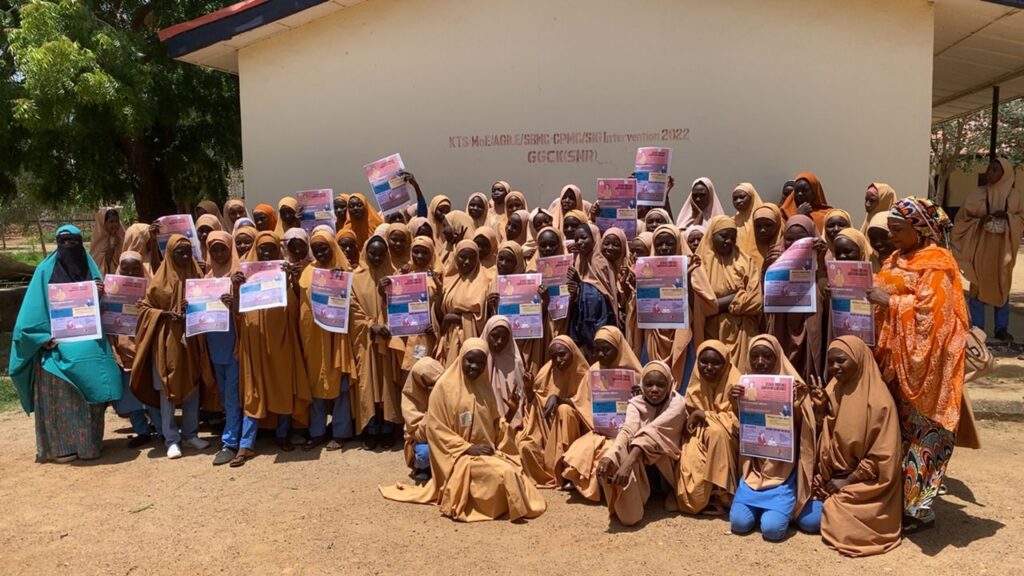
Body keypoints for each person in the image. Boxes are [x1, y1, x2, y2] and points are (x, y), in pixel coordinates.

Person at [871, 197, 969, 529]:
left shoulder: (938, 264)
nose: (892, 237)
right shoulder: (896, 259)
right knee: (898, 432)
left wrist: (892, 303)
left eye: (898, 230)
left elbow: (936, 316)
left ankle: (917, 508)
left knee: (925, 433)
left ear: (920, 229)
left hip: (929, 366)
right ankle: (900, 500)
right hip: (895, 361)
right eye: (890, 230)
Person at [379, 339, 547, 522]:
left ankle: (504, 502)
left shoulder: (484, 388)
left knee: (514, 471)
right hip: (455, 456)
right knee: (504, 473)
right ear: (460, 360)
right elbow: (437, 430)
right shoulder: (443, 389)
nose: (474, 367)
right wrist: (466, 448)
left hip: (486, 452)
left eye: (480, 363)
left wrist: (510, 412)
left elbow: (495, 426)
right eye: (470, 361)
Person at [9, 225, 121, 462]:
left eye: (75, 243)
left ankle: (88, 445)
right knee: (56, 390)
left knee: (92, 387)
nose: (70, 248)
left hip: (90, 346)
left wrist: (100, 294)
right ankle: (60, 448)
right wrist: (43, 338)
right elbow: (29, 319)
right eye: (65, 242)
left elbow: (110, 312)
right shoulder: (44, 272)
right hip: (55, 349)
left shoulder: (91, 272)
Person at [808, 336, 902, 557]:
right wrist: (820, 412)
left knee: (826, 521)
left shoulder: (879, 402)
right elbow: (824, 439)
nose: (835, 368)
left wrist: (846, 481)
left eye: (841, 361)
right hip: (830, 478)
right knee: (806, 518)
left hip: (864, 484)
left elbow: (883, 457)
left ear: (859, 360)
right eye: (831, 363)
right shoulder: (832, 391)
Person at [729, 335, 819, 541]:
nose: (760, 362)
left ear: (777, 357)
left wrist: (799, 403)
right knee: (739, 524)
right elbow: (738, 427)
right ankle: (763, 507)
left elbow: (805, 431)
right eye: (755, 356)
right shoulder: (743, 387)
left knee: (772, 530)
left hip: (782, 474)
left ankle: (777, 509)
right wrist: (734, 402)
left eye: (767, 356)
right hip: (753, 471)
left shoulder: (795, 388)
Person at [131, 235, 213, 459]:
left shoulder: (197, 275)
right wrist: (165, 314)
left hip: (193, 340)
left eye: (188, 252)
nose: (185, 256)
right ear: (169, 254)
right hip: (167, 343)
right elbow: (145, 309)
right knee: (167, 388)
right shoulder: (159, 281)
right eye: (180, 252)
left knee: (192, 386)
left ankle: (190, 433)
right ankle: (171, 439)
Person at [232, 231, 311, 463]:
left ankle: (283, 433)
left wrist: (292, 280)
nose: (267, 253)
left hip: (281, 338)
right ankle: (245, 444)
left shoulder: (284, 273)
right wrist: (237, 289)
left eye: (271, 249)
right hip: (254, 340)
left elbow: (298, 307)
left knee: (282, 383)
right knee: (253, 391)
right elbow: (237, 312)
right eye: (263, 249)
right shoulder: (245, 275)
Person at [593, 361, 687, 526]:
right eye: (649, 384)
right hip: (641, 457)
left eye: (661, 385)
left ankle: (662, 492)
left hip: (667, 464)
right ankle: (627, 502)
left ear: (670, 385)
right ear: (642, 384)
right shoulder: (636, 403)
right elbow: (628, 430)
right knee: (617, 451)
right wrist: (611, 456)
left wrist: (628, 463)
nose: (654, 390)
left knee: (637, 450)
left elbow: (653, 432)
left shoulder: (677, 404)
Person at [561, 326, 643, 500]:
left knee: (610, 449)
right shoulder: (594, 371)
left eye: (606, 350)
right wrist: (558, 399)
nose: (600, 355)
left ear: (618, 349)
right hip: (599, 429)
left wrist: (640, 396)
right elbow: (581, 400)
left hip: (627, 433)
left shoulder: (636, 376)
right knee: (582, 449)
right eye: (596, 350)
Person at [952, 157, 1023, 341]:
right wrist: (981, 221)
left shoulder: (1015, 197)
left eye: (994, 170)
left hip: (1004, 248)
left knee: (1002, 283)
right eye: (988, 169)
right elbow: (962, 219)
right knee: (978, 283)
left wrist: (1007, 217)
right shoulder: (977, 195)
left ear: (1005, 174)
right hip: (980, 246)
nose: (988, 173)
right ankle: (977, 328)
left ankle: (1001, 328)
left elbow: (1021, 219)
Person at [299, 228, 355, 452]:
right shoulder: (307, 271)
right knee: (316, 382)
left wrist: (341, 282)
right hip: (313, 338)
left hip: (337, 336)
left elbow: (353, 303)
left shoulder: (344, 270)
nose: (320, 253)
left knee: (339, 382)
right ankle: (317, 431)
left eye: (324, 248)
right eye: (316, 250)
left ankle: (341, 432)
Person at [350, 234, 403, 449]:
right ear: (365, 253)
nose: (377, 258)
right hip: (366, 339)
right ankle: (371, 428)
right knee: (368, 384)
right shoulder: (355, 278)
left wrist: (386, 295)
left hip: (388, 339)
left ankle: (389, 427)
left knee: (387, 383)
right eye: (373, 253)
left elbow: (403, 307)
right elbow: (352, 310)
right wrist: (370, 325)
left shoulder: (394, 276)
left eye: (381, 254)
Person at [677, 340, 740, 515]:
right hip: (697, 439)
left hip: (729, 442)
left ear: (726, 364)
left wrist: (705, 416)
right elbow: (685, 419)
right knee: (693, 496)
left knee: (716, 431)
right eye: (704, 362)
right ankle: (709, 496)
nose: (709, 367)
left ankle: (723, 492)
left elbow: (739, 423)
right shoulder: (694, 383)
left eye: (716, 363)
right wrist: (696, 417)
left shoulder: (736, 384)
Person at [766, 215, 827, 386]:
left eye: (800, 239)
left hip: (808, 325)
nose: (793, 244)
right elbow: (763, 297)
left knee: (807, 371)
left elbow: (825, 293)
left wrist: (821, 261)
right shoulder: (774, 259)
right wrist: (767, 267)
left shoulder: (819, 260)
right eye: (789, 239)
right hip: (782, 326)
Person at [108, 251, 161, 447]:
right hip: (123, 349)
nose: (130, 272)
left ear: (142, 269)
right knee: (130, 394)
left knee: (150, 392)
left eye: (135, 268)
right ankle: (142, 431)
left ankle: (161, 429)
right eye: (125, 268)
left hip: (145, 348)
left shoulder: (151, 290)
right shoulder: (111, 292)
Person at [695, 216, 762, 366]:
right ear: (712, 235)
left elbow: (756, 301)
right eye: (723, 236)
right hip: (711, 330)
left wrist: (715, 305)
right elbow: (698, 304)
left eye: (733, 238)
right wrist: (737, 297)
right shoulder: (699, 264)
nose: (729, 241)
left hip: (742, 332)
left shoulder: (745, 261)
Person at [203, 231, 245, 465]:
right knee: (224, 393)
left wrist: (234, 304)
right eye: (214, 250)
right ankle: (232, 434)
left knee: (232, 394)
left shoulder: (238, 276)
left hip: (235, 343)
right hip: (214, 344)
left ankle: (231, 442)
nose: (219, 254)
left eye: (222, 249)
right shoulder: (207, 278)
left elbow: (249, 312)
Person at [567, 223, 619, 359]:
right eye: (576, 239)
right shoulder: (578, 261)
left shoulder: (601, 262)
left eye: (583, 238)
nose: (579, 242)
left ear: (594, 238)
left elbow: (603, 294)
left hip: (600, 321)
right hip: (581, 324)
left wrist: (580, 283)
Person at [437, 240, 488, 367]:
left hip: (470, 340)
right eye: (462, 257)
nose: (467, 262)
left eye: (471, 258)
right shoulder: (448, 280)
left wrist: (455, 318)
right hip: (448, 338)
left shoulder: (484, 283)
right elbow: (440, 312)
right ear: (455, 257)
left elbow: (483, 317)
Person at [400, 357, 445, 483]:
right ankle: (423, 468)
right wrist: (432, 409)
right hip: (424, 438)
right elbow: (419, 435)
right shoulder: (410, 399)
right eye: (429, 384)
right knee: (424, 453)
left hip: (448, 437)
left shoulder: (448, 390)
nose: (434, 388)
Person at [90, 207, 125, 275]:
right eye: (111, 221)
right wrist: (111, 244)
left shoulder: (122, 237)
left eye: (117, 221)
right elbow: (107, 261)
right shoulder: (98, 242)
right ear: (103, 223)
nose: (115, 224)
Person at [732, 183, 763, 258]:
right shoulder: (732, 222)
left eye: (742, 197)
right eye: (735, 199)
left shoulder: (763, 219)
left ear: (751, 197)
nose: (738, 201)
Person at [751, 203, 784, 272]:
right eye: (758, 226)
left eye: (768, 225)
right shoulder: (745, 249)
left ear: (777, 224)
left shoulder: (788, 245)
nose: (762, 230)